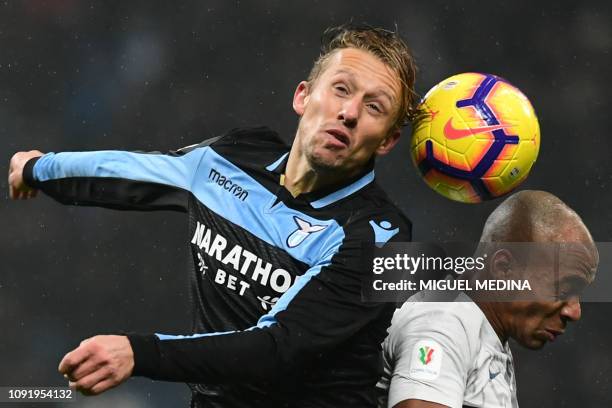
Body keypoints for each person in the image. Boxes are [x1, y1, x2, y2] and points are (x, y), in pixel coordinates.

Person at [8, 24, 417, 407]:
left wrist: (140, 352)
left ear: (389, 140)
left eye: (374, 107)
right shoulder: (234, 158)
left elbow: (278, 347)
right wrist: (40, 169)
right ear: (303, 96)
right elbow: (132, 174)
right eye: (341, 89)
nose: (349, 112)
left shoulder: (385, 238)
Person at [377, 190, 599, 408]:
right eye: (564, 289)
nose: (574, 312)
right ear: (504, 269)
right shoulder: (444, 325)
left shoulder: (479, 328)